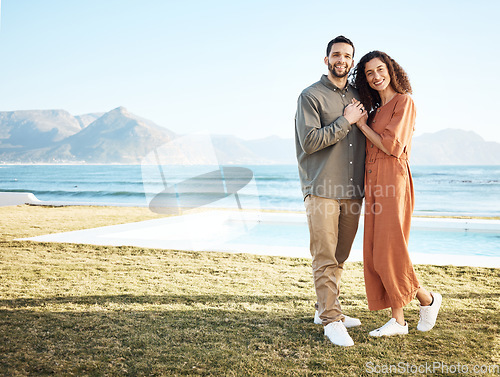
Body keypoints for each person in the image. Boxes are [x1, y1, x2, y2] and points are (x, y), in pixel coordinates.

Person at [353, 50, 442, 336]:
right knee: (378, 253)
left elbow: (391, 146)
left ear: (391, 70)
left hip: (394, 180)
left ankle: (400, 320)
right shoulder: (376, 110)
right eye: (369, 73)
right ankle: (425, 300)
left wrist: (361, 125)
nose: (376, 76)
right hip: (374, 182)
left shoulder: (404, 102)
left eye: (380, 69)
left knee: (390, 250)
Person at [295, 35, 366, 347]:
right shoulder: (310, 96)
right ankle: (331, 319)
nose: (342, 60)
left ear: (352, 60)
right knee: (324, 256)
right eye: (336, 55)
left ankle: (324, 307)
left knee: (340, 255)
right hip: (322, 188)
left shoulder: (357, 95)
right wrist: (345, 121)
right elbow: (309, 142)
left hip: (352, 191)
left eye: (347, 56)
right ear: (327, 60)